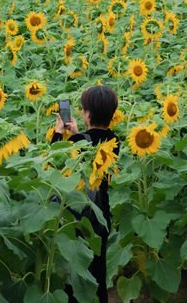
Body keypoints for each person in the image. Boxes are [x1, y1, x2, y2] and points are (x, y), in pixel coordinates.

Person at [50, 85, 120, 303]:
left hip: (78, 216)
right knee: (97, 270)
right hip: (102, 216)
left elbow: (56, 165)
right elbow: (94, 142)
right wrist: (78, 134)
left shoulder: (77, 143)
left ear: (86, 113)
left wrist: (59, 134)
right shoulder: (114, 141)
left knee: (76, 272)